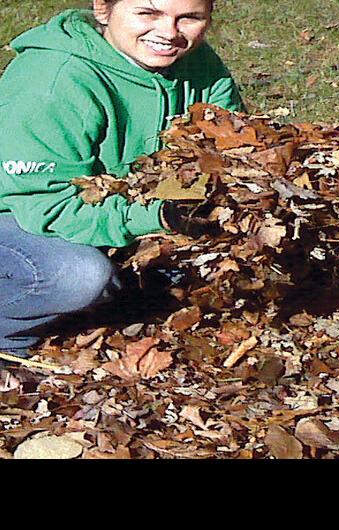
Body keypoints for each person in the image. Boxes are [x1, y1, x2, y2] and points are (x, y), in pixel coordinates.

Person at [0, 0, 243, 387]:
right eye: (148, 13)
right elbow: (47, 207)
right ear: (103, 9)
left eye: (190, 18)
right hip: (19, 212)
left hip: (114, 210)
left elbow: (228, 148)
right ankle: (7, 337)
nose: (168, 32)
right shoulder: (54, 80)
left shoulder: (196, 63)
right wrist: (158, 218)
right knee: (77, 275)